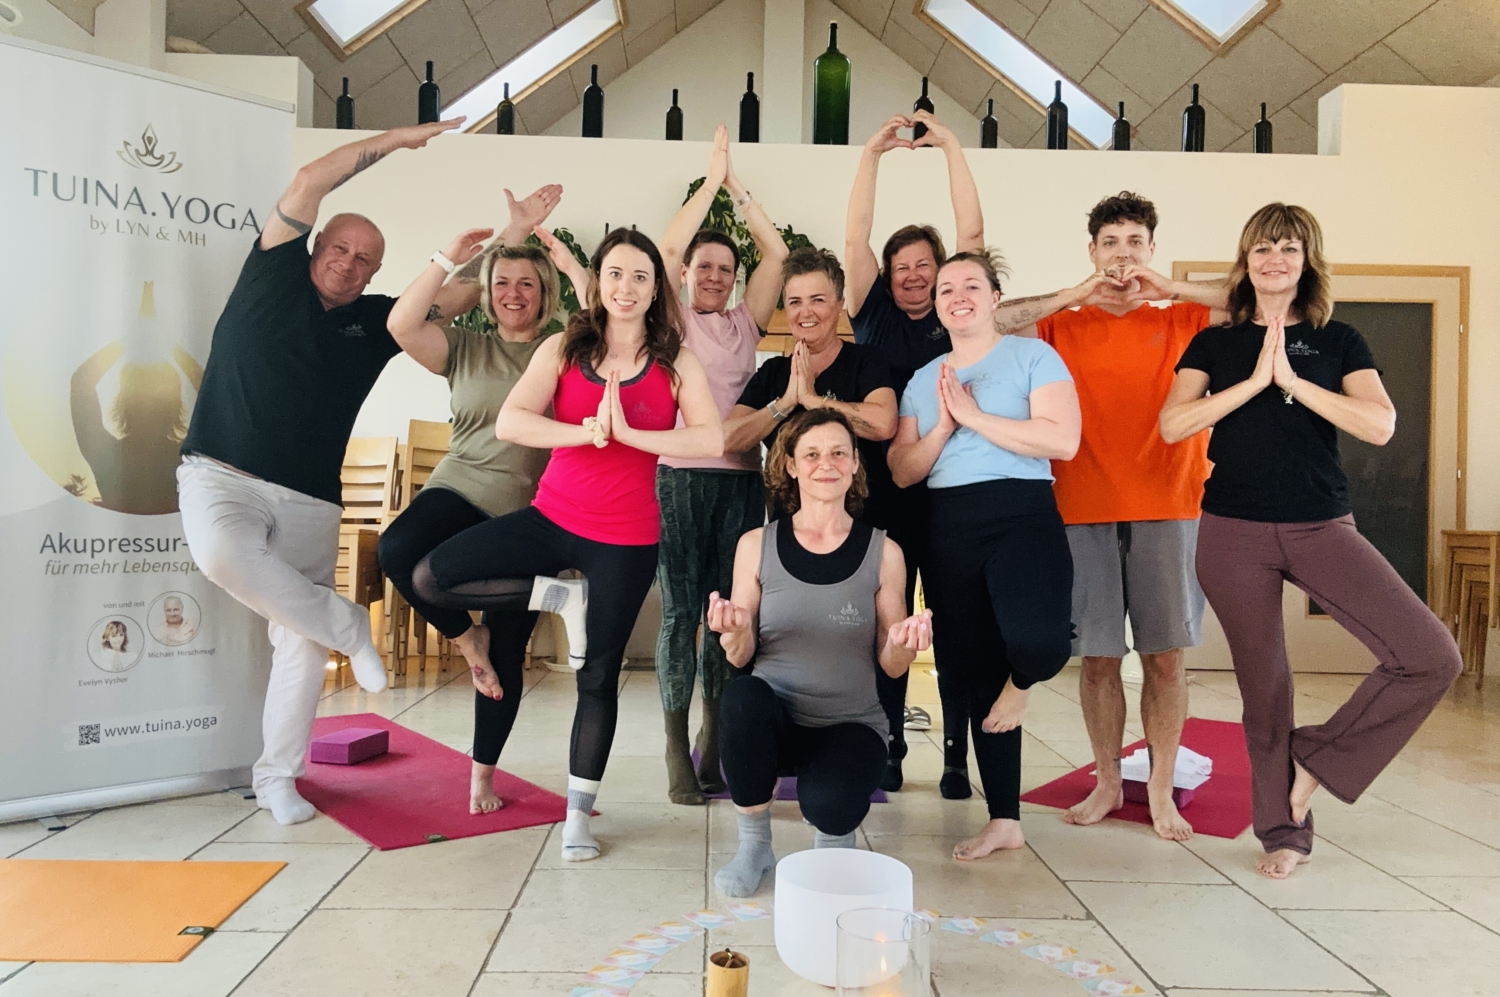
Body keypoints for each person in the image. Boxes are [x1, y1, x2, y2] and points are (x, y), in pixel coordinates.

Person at [176, 118, 466, 825]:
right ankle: (348, 623)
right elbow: (310, 181)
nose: (348, 262)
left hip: (312, 500)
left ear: (374, 271)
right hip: (222, 474)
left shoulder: (374, 321)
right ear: (316, 246)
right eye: (339, 246)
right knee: (219, 555)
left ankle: (279, 776)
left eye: (365, 257)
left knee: (299, 646)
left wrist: (495, 244)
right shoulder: (272, 272)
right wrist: (395, 141)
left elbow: (458, 301)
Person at [1159, 203, 1461, 879]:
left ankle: (1315, 762)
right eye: (1263, 248)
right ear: (1246, 261)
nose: (1274, 259)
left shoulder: (1340, 340)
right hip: (1232, 531)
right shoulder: (1215, 344)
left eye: (1289, 249)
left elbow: (1379, 424)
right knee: (1266, 690)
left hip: (1321, 523)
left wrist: (1294, 382)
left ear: (1306, 262)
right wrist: (1253, 384)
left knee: (1430, 654)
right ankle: (1282, 829)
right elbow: (1174, 425)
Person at [412, 228, 723, 862]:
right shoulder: (562, 347)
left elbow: (710, 440)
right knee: (429, 576)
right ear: (597, 282)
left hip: (627, 536)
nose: (627, 288)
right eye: (615, 274)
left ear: (655, 288)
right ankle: (555, 595)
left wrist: (631, 435)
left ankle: (578, 815)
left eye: (640, 276)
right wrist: (586, 432)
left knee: (599, 677)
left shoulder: (675, 361)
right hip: (552, 516)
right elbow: (512, 420)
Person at [981, 192, 1230, 840]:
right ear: (1093, 251)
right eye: (1111, 243)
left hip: (1170, 505)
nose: (1123, 255)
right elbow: (991, 318)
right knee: (1095, 659)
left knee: (1166, 659)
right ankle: (1107, 782)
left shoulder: (1185, 319)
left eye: (1134, 243)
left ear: (1150, 250)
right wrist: (1075, 292)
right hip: (1080, 510)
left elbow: (1254, 298)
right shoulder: (1063, 324)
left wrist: (1168, 285)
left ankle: (1160, 788)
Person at [378, 184, 593, 815]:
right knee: (398, 552)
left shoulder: (567, 350)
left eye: (527, 284)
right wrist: (470, 253)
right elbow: (400, 323)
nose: (514, 295)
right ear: (488, 292)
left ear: (545, 293)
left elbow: (606, 313)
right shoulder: (467, 346)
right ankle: (463, 640)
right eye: (503, 284)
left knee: (507, 652)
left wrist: (539, 252)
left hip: (532, 514)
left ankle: (482, 773)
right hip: (461, 487)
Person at [888, 251, 1080, 861]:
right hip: (949, 522)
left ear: (996, 297)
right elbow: (900, 469)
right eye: (947, 288)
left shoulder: (1034, 357)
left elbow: (1062, 439)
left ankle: (1022, 684)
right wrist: (944, 427)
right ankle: (1004, 819)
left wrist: (974, 415)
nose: (958, 295)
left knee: (1042, 640)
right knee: (972, 674)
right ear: (937, 304)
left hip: (1023, 511)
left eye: (972, 284)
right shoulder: (923, 379)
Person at [710, 409, 933, 897]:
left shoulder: (885, 552)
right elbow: (739, 654)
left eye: (838, 453)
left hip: (850, 723)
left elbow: (889, 664)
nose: (824, 464)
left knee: (830, 804)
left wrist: (904, 646)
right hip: (777, 717)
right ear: (790, 465)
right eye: (811, 454)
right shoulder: (756, 544)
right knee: (741, 699)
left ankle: (831, 854)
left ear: (855, 464)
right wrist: (732, 631)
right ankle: (754, 846)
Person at [843, 111, 984, 797]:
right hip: (884, 496)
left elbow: (974, 237)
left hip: (953, 494)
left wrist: (952, 147)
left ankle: (956, 757)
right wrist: (873, 153)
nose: (917, 275)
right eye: (904, 266)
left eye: (927, 266)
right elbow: (854, 235)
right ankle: (892, 745)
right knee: (890, 623)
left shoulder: (960, 311)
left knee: (956, 628)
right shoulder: (871, 312)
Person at [653, 126, 788, 805]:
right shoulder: (672, 317)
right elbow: (670, 244)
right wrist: (709, 182)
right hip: (678, 478)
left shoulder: (746, 322)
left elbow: (779, 252)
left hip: (741, 480)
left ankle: (713, 744)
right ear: (684, 278)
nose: (712, 275)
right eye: (703, 267)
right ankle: (676, 748)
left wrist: (739, 189)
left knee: (727, 612)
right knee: (681, 612)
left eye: (722, 269)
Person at [722, 247, 897, 513]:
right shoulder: (773, 371)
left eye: (817, 300)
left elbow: (884, 424)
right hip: (788, 530)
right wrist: (785, 404)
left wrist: (813, 401)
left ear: (839, 305)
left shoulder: (866, 360)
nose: (805, 312)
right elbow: (729, 439)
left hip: (861, 524)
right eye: (795, 301)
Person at [71, 339, 202, 515]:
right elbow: (210, 395)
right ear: (175, 407)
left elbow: (82, 381)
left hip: (116, 542)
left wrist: (129, 338)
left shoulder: (106, 456)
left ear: (124, 404)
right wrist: (168, 342)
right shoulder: (187, 459)